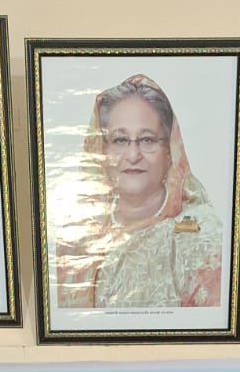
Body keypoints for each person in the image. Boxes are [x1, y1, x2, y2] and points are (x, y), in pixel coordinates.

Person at [56, 74, 223, 311]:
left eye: (147, 140)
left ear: (169, 151)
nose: (133, 155)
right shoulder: (76, 239)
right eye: (120, 140)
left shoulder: (201, 237)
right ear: (101, 150)